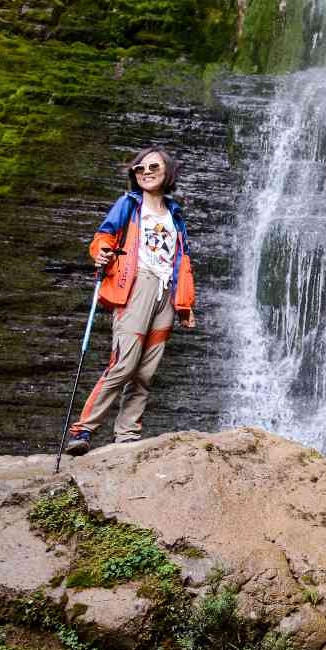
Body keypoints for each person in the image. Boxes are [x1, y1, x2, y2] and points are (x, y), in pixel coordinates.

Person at [63, 147, 197, 455]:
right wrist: (101, 253)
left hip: (166, 292)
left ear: (168, 173)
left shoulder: (174, 213)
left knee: (146, 372)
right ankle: (83, 430)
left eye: (153, 167)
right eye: (140, 169)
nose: (146, 172)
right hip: (136, 285)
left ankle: (127, 436)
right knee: (124, 364)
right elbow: (104, 236)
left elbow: (182, 259)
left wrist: (185, 305)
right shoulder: (129, 204)